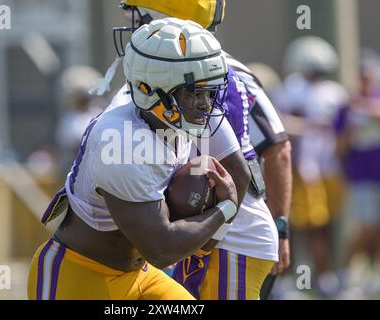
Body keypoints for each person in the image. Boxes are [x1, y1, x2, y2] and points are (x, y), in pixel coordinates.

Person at [27, 18, 242, 300]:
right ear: (150, 91)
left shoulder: (170, 119)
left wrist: (215, 213)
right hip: (81, 276)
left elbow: (200, 246)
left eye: (208, 91)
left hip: (140, 275)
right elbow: (162, 249)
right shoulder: (120, 141)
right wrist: (224, 209)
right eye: (193, 92)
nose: (205, 104)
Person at [106, 0, 291, 300]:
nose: (130, 23)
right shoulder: (180, 70)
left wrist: (210, 238)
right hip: (205, 234)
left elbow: (252, 161)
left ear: (171, 21)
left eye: (136, 14)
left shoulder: (204, 75)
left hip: (232, 238)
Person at [273, 36, 348, 297]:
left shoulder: (295, 89)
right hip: (319, 169)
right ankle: (315, 280)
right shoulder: (331, 92)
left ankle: (307, 280)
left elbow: (279, 125)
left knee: (305, 228)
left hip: (309, 169)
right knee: (311, 228)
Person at [335, 49, 380, 296]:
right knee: (365, 227)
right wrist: (352, 127)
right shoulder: (347, 107)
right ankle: (346, 274)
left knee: (377, 227)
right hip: (361, 175)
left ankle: (371, 277)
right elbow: (339, 146)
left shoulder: (375, 100)